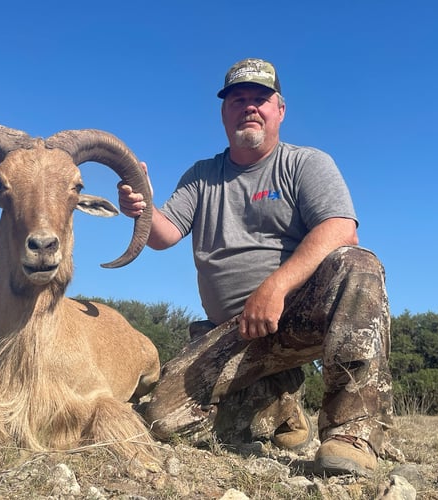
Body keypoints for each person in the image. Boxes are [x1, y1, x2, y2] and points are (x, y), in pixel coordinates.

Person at [118, 58, 394, 477]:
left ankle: (352, 431)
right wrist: (141, 206)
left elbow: (341, 228)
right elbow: (163, 235)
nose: (249, 107)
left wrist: (275, 287)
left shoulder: (305, 163)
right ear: (224, 112)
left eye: (260, 99)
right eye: (238, 99)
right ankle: (279, 402)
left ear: (279, 109)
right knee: (161, 420)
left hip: (294, 316)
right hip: (231, 333)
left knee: (358, 265)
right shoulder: (202, 175)